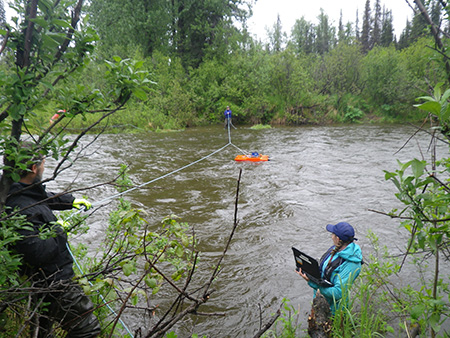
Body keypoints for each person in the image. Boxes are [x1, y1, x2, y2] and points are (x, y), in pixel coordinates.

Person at [5, 148, 101, 337]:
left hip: (40, 282)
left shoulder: (15, 191)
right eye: (43, 164)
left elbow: (40, 197)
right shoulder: (20, 207)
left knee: (42, 331)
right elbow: (37, 252)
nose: (44, 167)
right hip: (55, 281)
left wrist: (71, 201)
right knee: (87, 329)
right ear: (34, 168)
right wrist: (56, 230)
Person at [296, 222, 363, 314]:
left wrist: (313, 283)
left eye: (333, 234)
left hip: (334, 310)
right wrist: (310, 273)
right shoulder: (337, 248)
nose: (331, 236)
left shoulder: (351, 264)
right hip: (321, 299)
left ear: (338, 239)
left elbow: (338, 293)